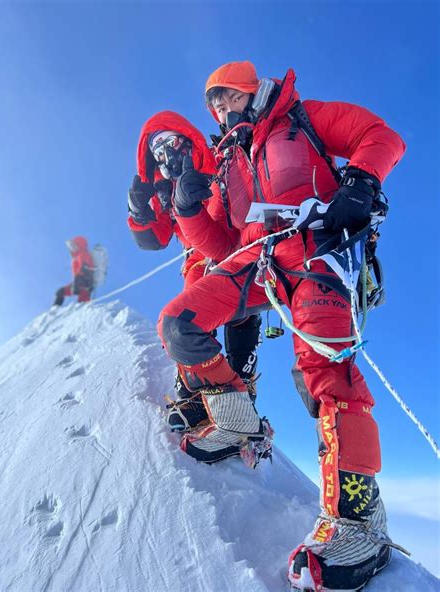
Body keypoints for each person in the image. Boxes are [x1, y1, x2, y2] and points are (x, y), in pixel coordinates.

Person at [157, 61, 406, 590]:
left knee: (324, 370)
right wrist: (187, 212)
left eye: (227, 99)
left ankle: (359, 522)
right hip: (255, 258)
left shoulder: (301, 118)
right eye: (215, 107)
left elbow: (380, 135)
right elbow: (222, 246)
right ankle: (237, 422)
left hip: (316, 244)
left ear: (250, 91)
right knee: (180, 323)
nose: (221, 112)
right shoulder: (228, 166)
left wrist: (360, 183)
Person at [128, 111, 265, 462]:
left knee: (230, 312)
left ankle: (239, 400)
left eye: (170, 145)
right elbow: (154, 239)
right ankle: (197, 396)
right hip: (197, 259)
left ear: (187, 140)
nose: (166, 157)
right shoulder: (165, 189)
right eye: (157, 153)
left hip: (235, 251)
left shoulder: (217, 166)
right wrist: (140, 211)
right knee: (185, 323)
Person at [53, 236, 95, 306]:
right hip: (79, 282)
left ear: (79, 245)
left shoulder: (83, 254)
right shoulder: (78, 256)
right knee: (60, 292)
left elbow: (85, 268)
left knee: (82, 303)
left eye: (73, 246)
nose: (71, 248)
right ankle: (54, 311)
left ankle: (55, 311)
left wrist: (79, 281)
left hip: (84, 283)